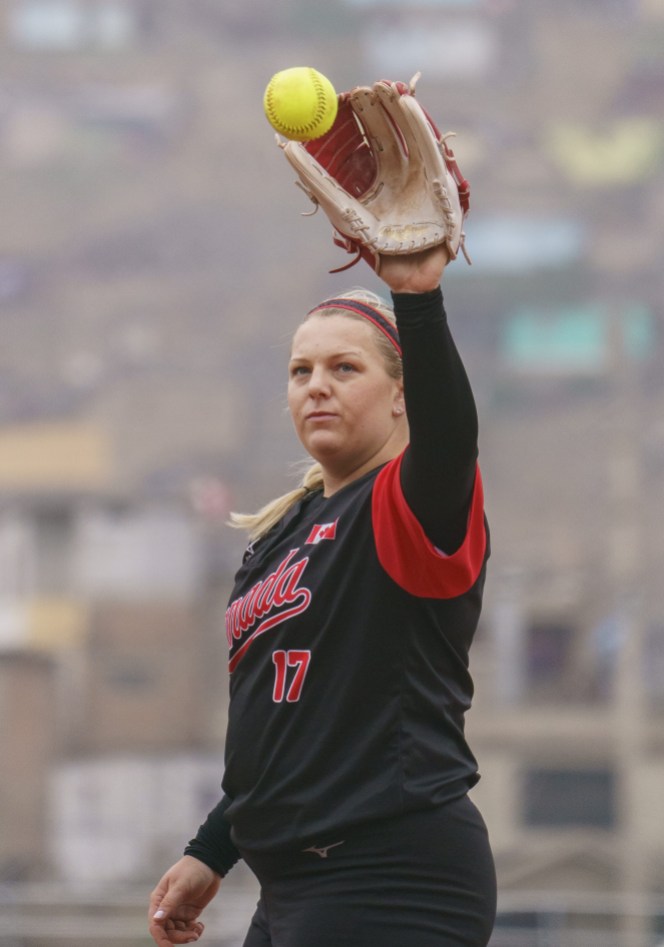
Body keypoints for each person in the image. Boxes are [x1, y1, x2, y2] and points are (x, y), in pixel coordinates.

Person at [148, 244, 496, 947]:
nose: (316, 385)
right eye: (301, 371)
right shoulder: (280, 535)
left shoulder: (405, 505)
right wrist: (214, 846)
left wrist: (417, 299)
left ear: (403, 393)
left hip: (391, 874)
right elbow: (287, 724)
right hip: (294, 881)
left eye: (345, 368)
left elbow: (452, 437)